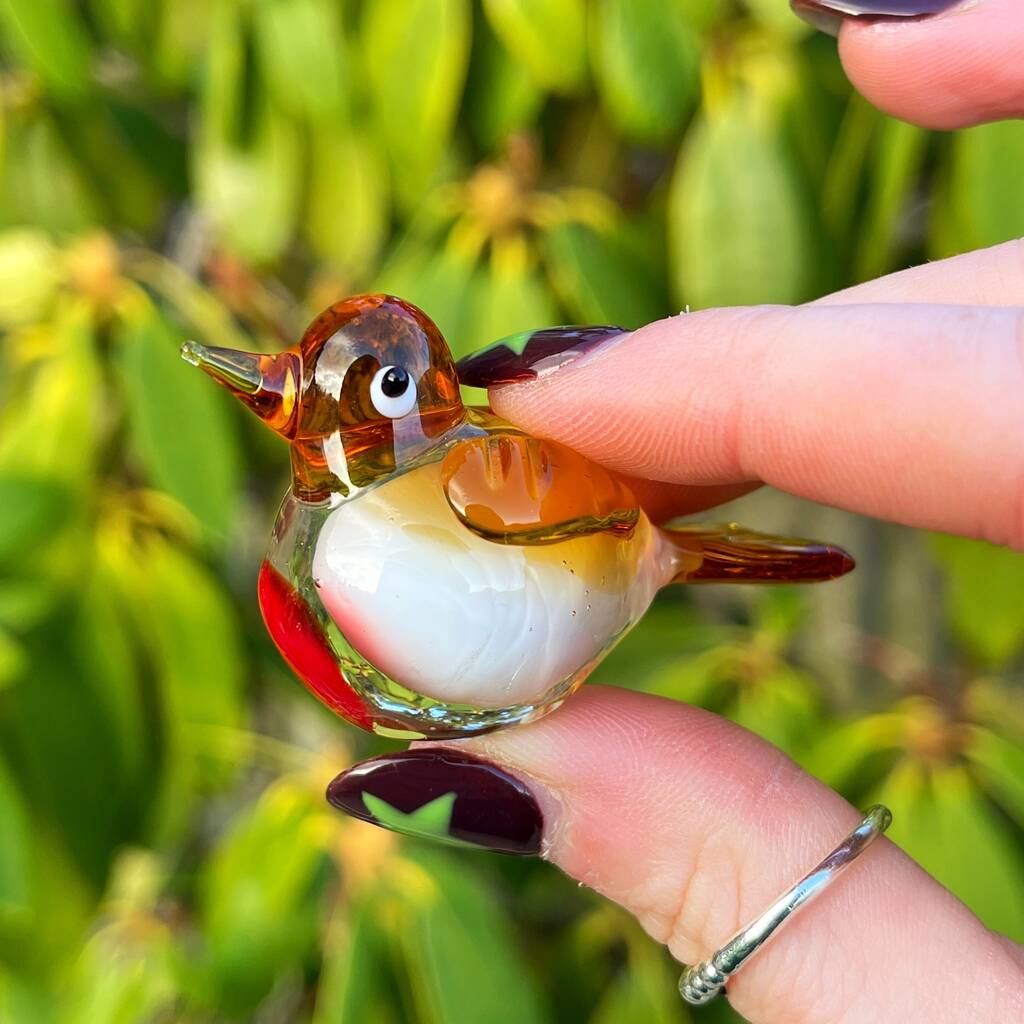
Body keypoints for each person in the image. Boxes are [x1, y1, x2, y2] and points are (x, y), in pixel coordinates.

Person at [329, 5, 1024, 1020]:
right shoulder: (364, 520)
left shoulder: (474, 478)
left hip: (599, 574)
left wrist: (645, 551)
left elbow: (582, 532)